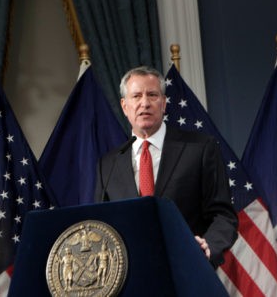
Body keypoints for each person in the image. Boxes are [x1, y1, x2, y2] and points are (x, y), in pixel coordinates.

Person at [95, 66, 238, 268]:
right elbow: (100, 225)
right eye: (136, 96)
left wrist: (209, 245)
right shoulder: (108, 165)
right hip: (132, 276)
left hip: (187, 269)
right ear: (125, 106)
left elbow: (223, 215)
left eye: (152, 95)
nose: (144, 103)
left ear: (163, 103)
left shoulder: (199, 149)